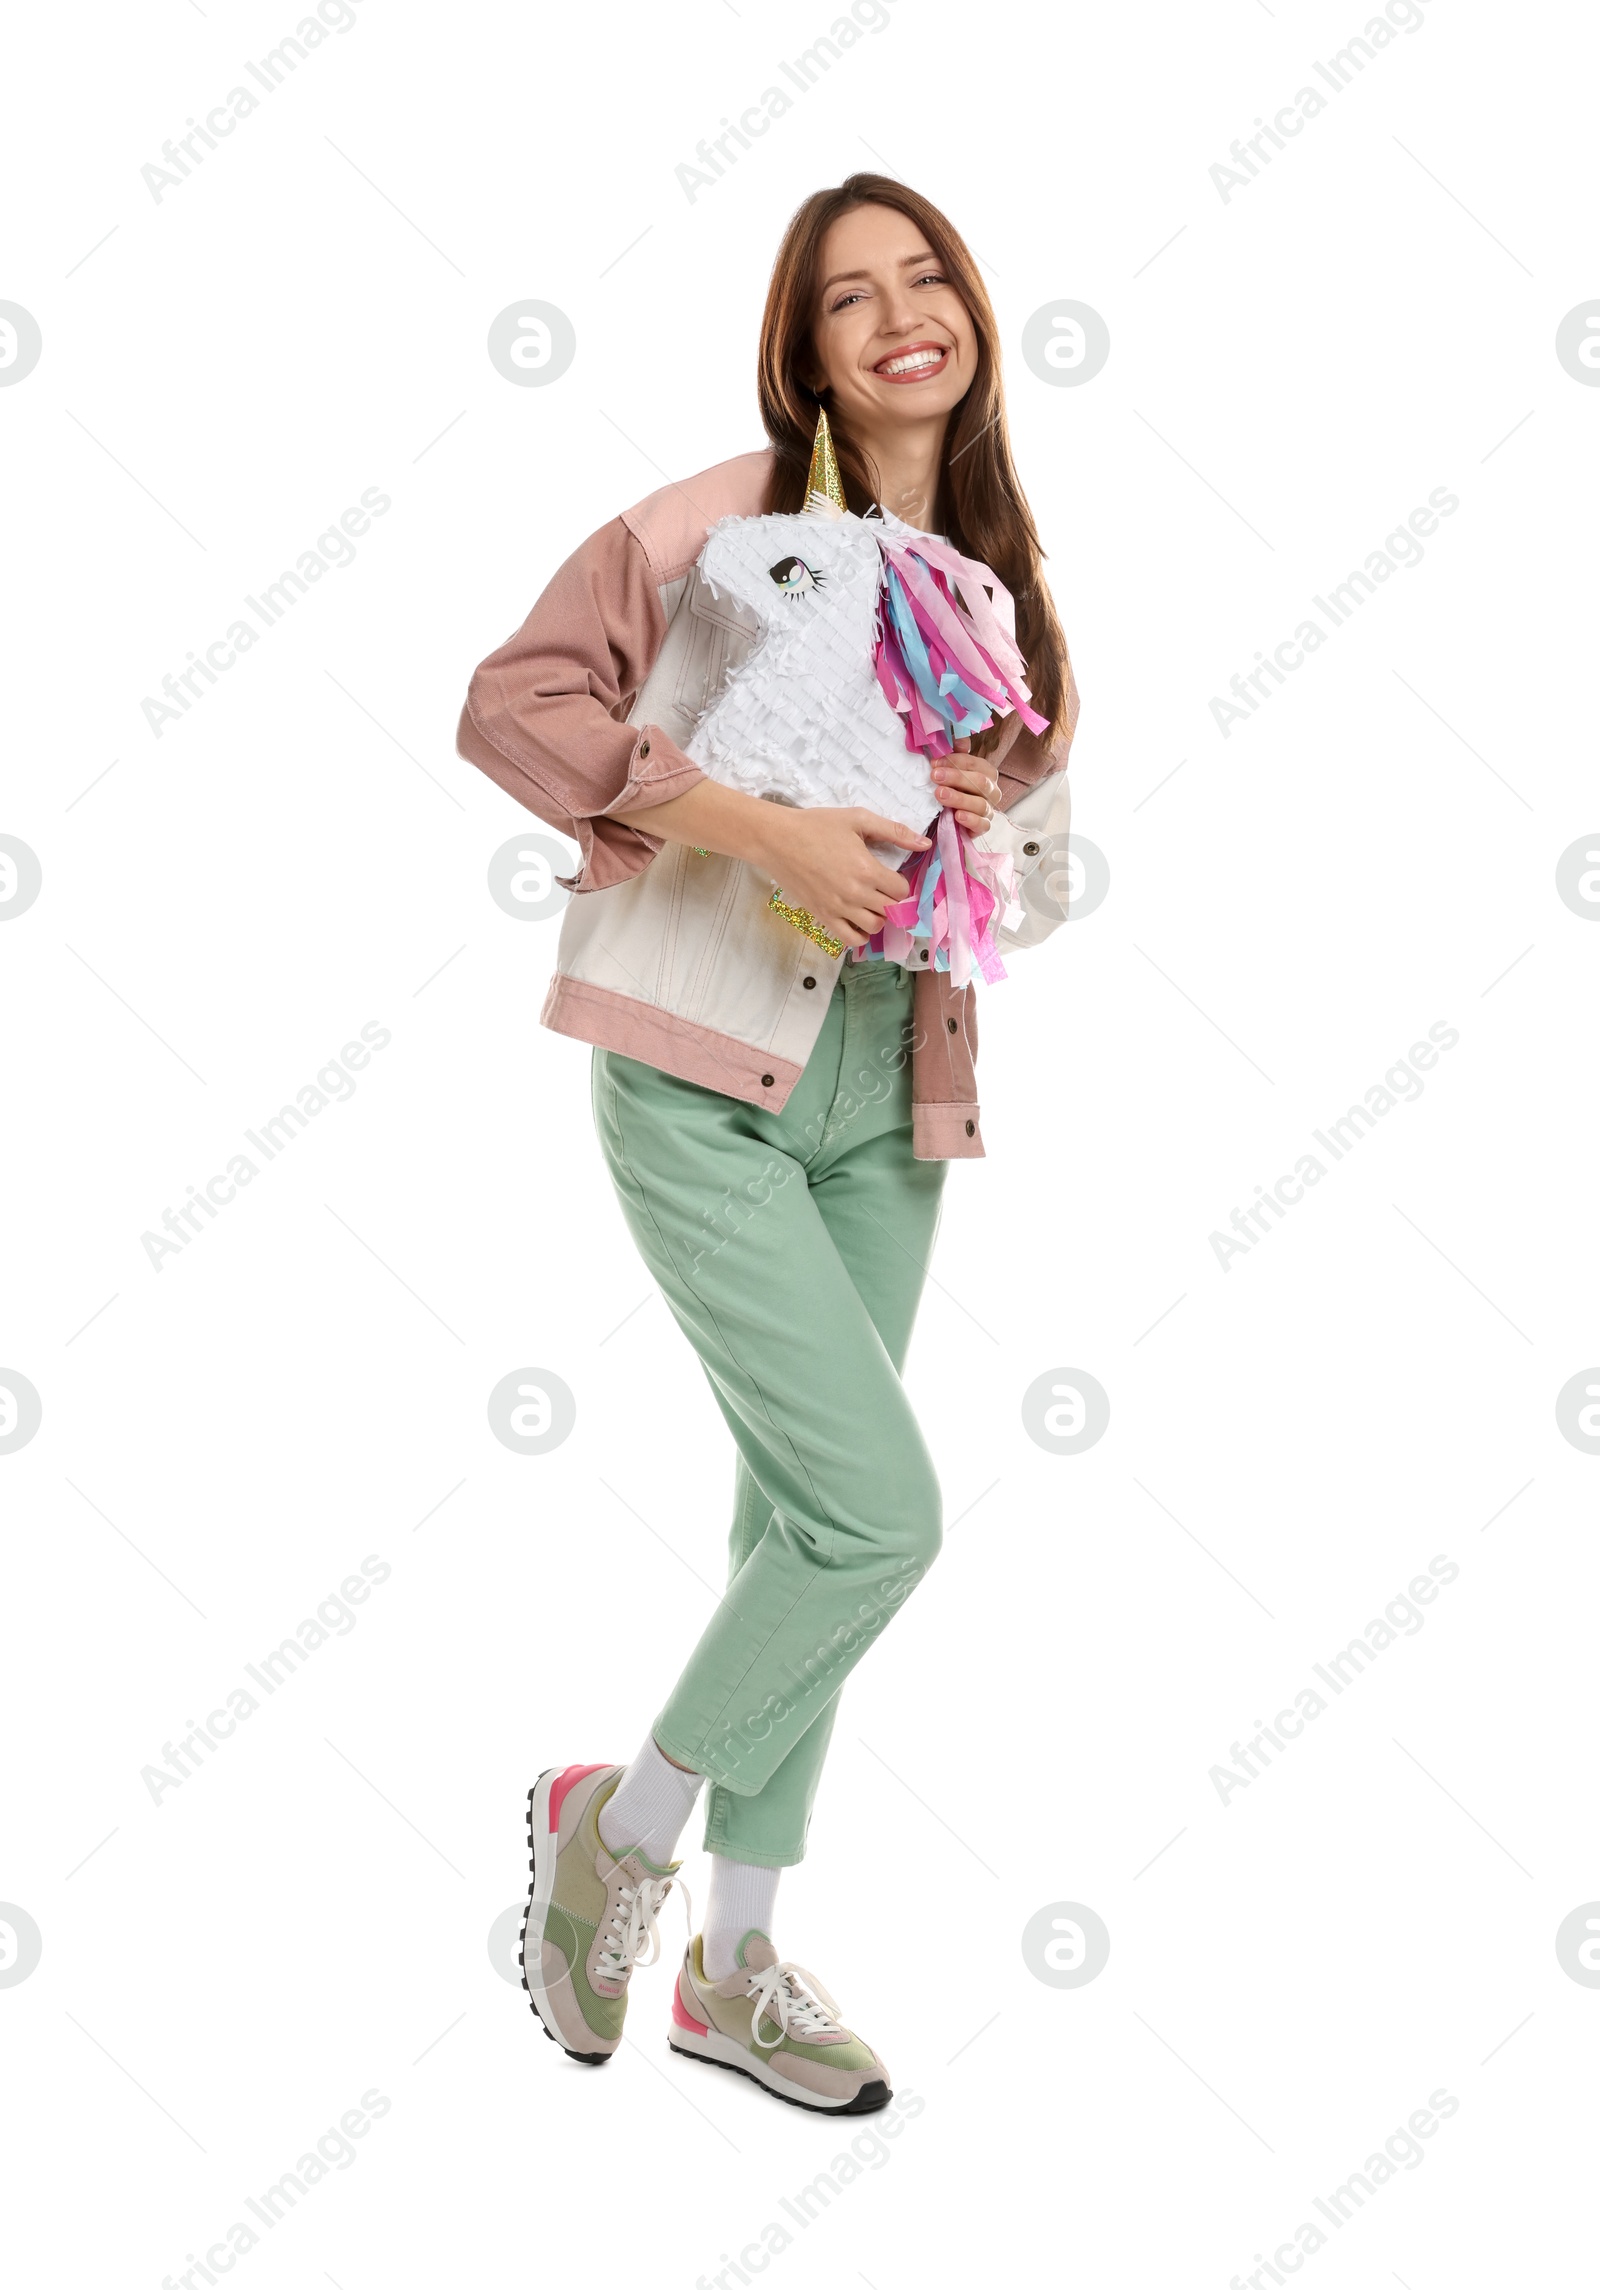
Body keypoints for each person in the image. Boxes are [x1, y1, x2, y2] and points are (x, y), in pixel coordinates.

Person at [458, 173, 1080, 2115]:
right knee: (881, 1516)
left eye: (926, 278)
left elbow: (1038, 889)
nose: (899, 314)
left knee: (796, 1523)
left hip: (893, 1090)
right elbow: (514, 707)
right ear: (798, 347)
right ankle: (614, 1829)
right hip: (698, 1070)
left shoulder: (1000, 581)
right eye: (846, 296)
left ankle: (731, 1966)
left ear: (970, 315)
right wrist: (758, 826)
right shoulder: (709, 528)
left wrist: (985, 826)